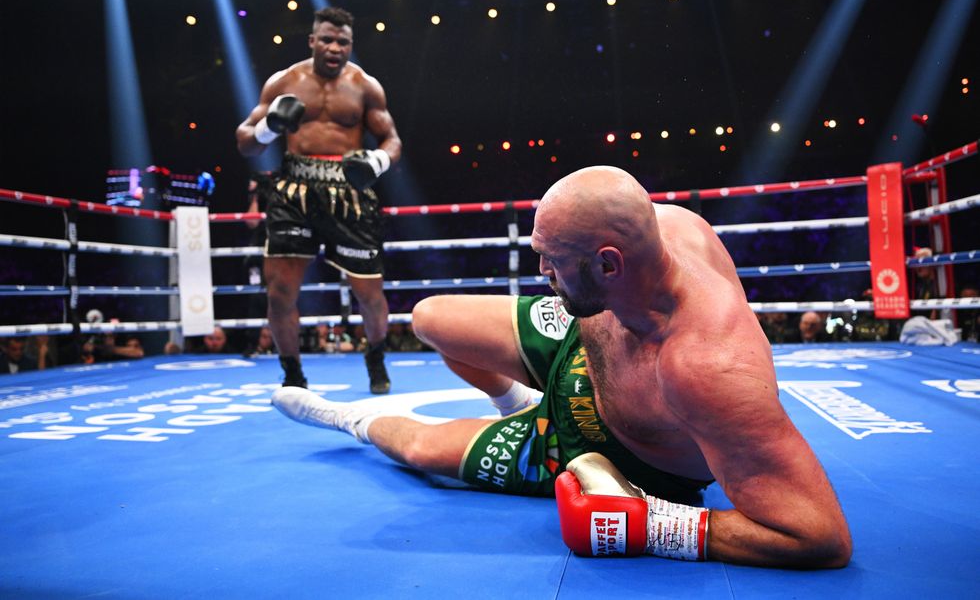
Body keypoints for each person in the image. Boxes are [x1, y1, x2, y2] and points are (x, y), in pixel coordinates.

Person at [271, 166, 851, 568]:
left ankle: (344, 418)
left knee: (423, 452)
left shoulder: (704, 367)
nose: (541, 272)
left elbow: (819, 534)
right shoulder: (665, 227)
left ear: (607, 263)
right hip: (585, 336)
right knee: (430, 318)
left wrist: (651, 526)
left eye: (551, 262)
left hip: (617, 458)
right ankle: (514, 402)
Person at [236, 6, 402, 395]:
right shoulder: (285, 82)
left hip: (350, 194)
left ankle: (375, 355)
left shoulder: (365, 86)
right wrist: (267, 128)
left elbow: (392, 141)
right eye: (326, 39)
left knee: (369, 293)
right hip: (295, 191)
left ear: (350, 45)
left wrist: (376, 160)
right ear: (312, 40)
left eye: (342, 42)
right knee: (279, 291)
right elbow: (244, 141)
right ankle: (292, 373)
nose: (334, 47)